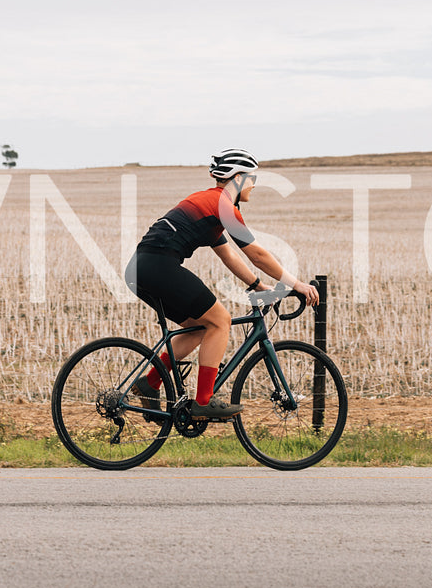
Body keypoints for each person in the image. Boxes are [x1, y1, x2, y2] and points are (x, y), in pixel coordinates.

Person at [123, 148, 320, 418]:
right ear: (237, 178)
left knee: (198, 329)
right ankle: (204, 401)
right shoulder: (223, 205)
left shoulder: (210, 203)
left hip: (140, 269)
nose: (254, 184)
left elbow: (228, 255)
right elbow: (257, 255)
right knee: (220, 320)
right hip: (159, 265)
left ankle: (149, 382)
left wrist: (258, 286)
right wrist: (296, 284)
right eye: (252, 178)